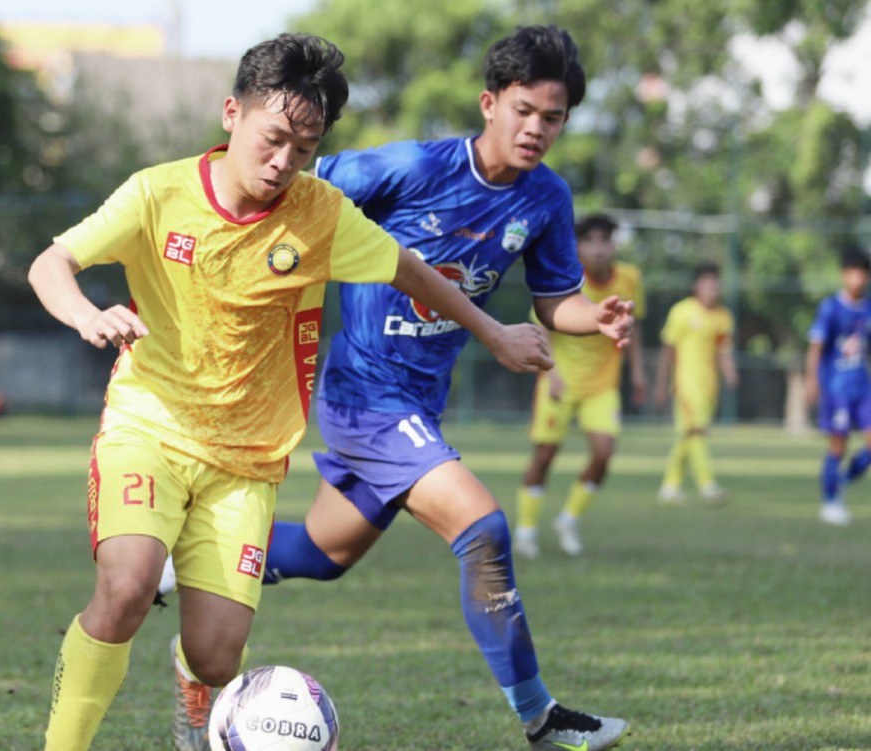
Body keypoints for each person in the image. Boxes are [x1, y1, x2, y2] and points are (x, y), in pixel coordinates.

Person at [27, 33, 576, 751]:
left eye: (305, 148)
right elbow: (52, 262)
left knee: (217, 656)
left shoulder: (319, 213)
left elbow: (409, 269)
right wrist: (86, 314)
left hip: (248, 461)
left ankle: (194, 692)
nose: (283, 162)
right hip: (149, 428)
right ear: (232, 113)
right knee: (127, 586)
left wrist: (494, 332)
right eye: (274, 139)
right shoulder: (157, 193)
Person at [162, 25, 633, 751]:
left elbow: (554, 300)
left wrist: (590, 316)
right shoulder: (410, 168)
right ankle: (543, 719)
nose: (537, 129)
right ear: (490, 103)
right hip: (365, 395)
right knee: (484, 529)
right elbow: (292, 188)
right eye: (524, 111)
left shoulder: (546, 199)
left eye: (554, 117)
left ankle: (182, 558)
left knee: (323, 554)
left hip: (416, 406)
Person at [515, 212, 647, 558]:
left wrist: (637, 372)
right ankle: (526, 530)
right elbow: (542, 325)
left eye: (606, 240)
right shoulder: (565, 278)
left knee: (604, 453)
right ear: (577, 247)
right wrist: (551, 374)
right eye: (590, 241)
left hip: (602, 385)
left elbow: (633, 325)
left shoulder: (630, 278)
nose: (599, 248)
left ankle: (569, 519)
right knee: (545, 456)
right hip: (560, 379)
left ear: (615, 245)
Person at [653, 262, 739, 503]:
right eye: (708, 282)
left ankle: (670, 486)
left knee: (688, 435)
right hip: (685, 384)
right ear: (696, 285)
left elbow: (723, 349)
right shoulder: (681, 311)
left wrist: (730, 372)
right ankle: (707, 484)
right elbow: (668, 350)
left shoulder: (723, 316)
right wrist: (661, 384)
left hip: (709, 386)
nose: (713, 287)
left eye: (716, 282)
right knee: (695, 432)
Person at [804, 245, 871, 526]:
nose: (858, 278)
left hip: (863, 388)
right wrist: (811, 381)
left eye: (862, 273)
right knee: (838, 446)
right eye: (852, 272)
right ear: (844, 274)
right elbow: (816, 347)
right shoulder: (830, 307)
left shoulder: (868, 309)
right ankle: (830, 502)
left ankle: (841, 480)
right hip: (836, 389)